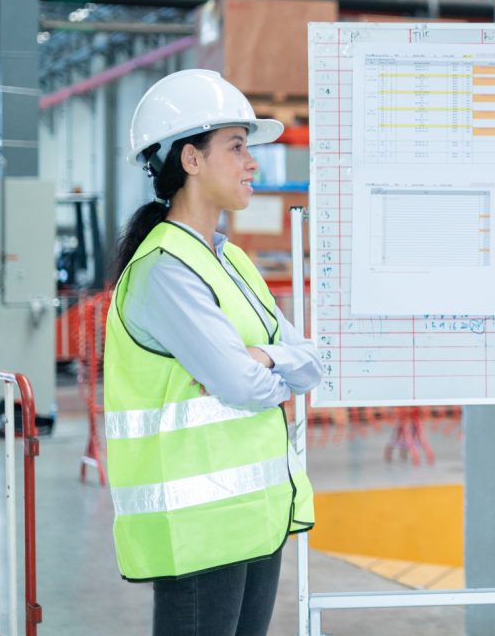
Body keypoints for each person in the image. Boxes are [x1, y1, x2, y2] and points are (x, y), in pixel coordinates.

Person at [104, 69, 322, 636]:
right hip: (198, 531)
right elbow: (242, 386)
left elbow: (311, 361)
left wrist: (265, 358)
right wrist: (265, 367)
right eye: (237, 147)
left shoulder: (231, 259)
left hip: (256, 517)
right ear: (191, 159)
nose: (252, 164)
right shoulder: (164, 271)